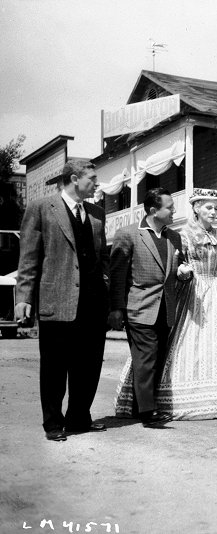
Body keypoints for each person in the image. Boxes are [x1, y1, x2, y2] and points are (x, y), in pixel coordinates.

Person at [114, 189, 217, 419]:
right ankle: (147, 406)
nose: (213, 211)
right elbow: (176, 266)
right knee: (167, 349)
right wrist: (183, 274)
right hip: (191, 291)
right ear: (197, 208)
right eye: (209, 207)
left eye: (216, 208)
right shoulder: (182, 235)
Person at [14, 160, 109, 441]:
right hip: (57, 300)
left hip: (92, 304)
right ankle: (53, 424)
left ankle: (79, 418)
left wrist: (105, 289)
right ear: (74, 178)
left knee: (88, 366)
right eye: (92, 178)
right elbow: (29, 257)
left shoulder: (97, 214)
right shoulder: (42, 208)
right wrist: (24, 296)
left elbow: (102, 258)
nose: (96, 183)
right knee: (55, 368)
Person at [109, 188, 188, 427]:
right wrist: (116, 308)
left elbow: (178, 268)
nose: (174, 210)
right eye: (170, 207)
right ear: (154, 210)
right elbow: (117, 275)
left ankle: (140, 407)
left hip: (166, 309)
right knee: (146, 358)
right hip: (139, 308)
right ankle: (148, 412)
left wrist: (184, 272)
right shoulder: (128, 234)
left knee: (158, 358)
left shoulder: (174, 237)